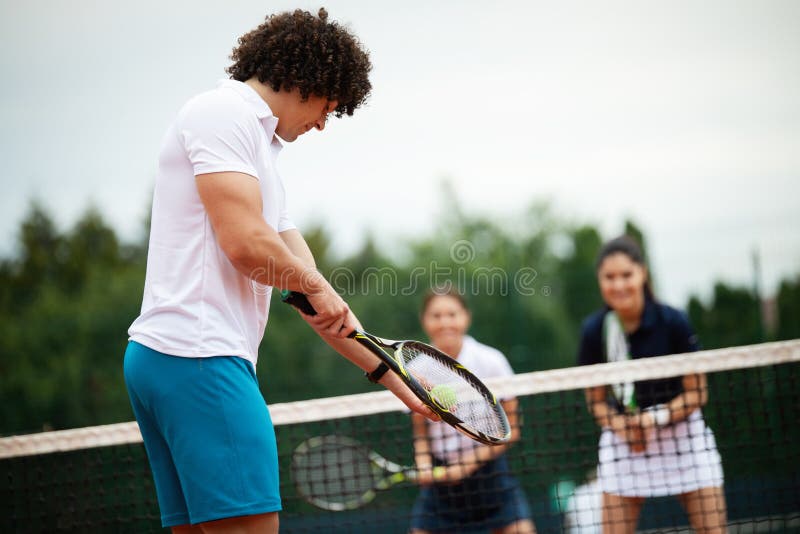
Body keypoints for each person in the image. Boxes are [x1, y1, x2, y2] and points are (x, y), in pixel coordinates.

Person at [123, 9, 436, 533]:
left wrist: (395, 380)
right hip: (200, 359)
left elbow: (313, 295)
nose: (321, 124)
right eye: (327, 108)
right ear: (307, 80)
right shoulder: (223, 113)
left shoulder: (261, 157)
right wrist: (311, 283)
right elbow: (246, 246)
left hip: (175, 362)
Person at [577, 236, 727, 533]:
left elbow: (697, 392)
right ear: (600, 281)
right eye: (609, 277)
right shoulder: (594, 331)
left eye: (626, 275)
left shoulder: (674, 321)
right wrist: (622, 425)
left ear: (642, 273)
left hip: (684, 439)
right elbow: (595, 401)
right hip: (626, 447)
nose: (618, 285)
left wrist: (654, 418)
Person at [409, 288, 536, 534]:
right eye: (436, 315)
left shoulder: (492, 361)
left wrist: (468, 464)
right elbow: (420, 433)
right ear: (424, 320)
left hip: (491, 477)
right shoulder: (415, 369)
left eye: (452, 314)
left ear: (466, 317)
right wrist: (423, 463)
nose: (445, 322)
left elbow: (513, 429)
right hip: (441, 483)